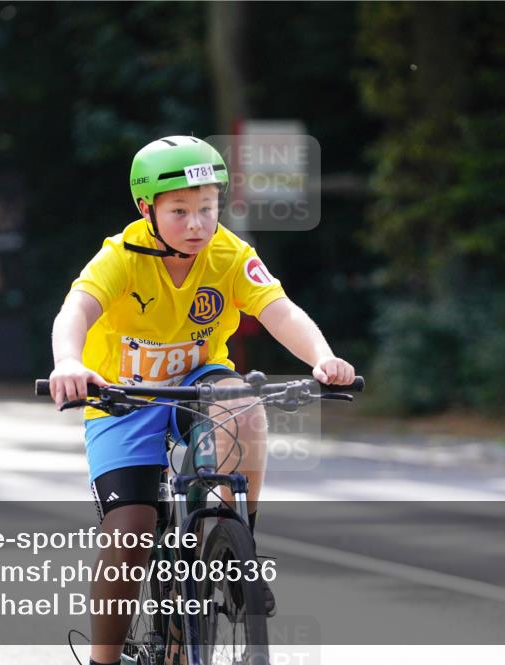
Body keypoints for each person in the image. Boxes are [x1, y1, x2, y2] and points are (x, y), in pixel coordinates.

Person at [48, 136, 355, 665]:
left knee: (244, 403)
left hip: (200, 383)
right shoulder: (120, 255)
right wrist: (70, 364)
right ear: (147, 210)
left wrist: (322, 358)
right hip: (124, 397)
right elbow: (74, 311)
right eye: (180, 211)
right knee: (131, 534)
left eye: (207, 209)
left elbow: (279, 310)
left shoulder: (230, 253)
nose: (197, 224)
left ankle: (241, 552)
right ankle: (103, 659)